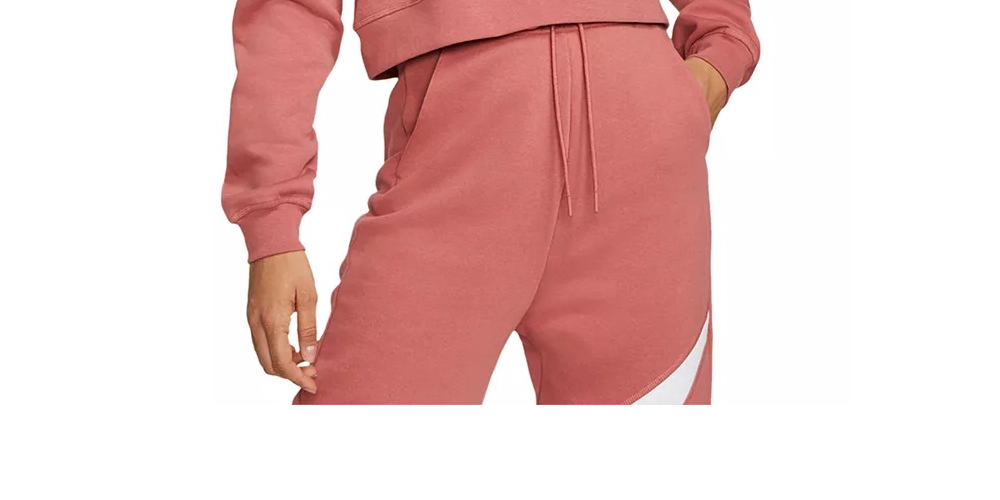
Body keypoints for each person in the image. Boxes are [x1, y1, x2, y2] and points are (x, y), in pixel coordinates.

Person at [223, 0, 759, 404]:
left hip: (644, 149)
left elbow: (723, 16)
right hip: (459, 153)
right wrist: (272, 226)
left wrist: (714, 64)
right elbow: (289, 11)